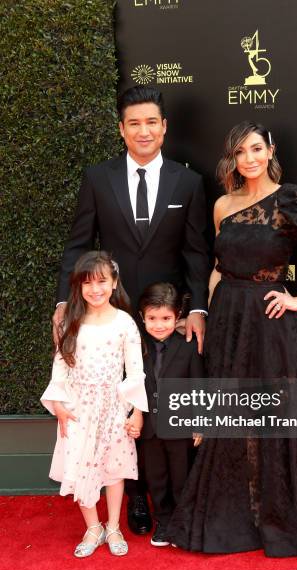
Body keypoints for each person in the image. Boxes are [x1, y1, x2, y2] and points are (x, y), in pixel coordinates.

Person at [167, 121, 297, 562]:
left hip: (269, 323)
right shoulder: (224, 204)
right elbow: (217, 264)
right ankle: (234, 516)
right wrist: (208, 309)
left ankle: (278, 517)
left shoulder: (292, 199)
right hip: (228, 318)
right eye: (239, 152)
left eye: (255, 149)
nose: (248, 159)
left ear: (270, 150)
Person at [52, 85, 210, 535]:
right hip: (114, 318)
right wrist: (66, 301)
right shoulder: (97, 178)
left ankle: (179, 500)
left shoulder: (189, 182)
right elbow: (79, 244)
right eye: (134, 123)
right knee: (125, 408)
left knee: (166, 409)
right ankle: (136, 499)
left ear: (164, 128)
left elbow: (198, 254)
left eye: (152, 122)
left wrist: (196, 309)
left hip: (168, 319)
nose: (144, 131)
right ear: (122, 129)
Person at [41, 251, 148, 557]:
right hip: (77, 410)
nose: (95, 289)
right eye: (87, 282)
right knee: (79, 467)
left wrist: (137, 412)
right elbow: (60, 366)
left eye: (102, 281)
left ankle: (113, 526)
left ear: (114, 283)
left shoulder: (125, 323)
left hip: (114, 408)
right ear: (78, 286)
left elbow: (136, 371)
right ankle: (93, 528)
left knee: (114, 471)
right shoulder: (70, 322)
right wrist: (59, 405)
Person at [130, 282, 204, 546]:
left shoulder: (188, 347)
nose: (158, 325)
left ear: (177, 317)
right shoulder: (137, 349)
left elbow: (198, 386)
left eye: (165, 318)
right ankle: (163, 521)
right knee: (156, 478)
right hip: (149, 429)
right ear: (142, 317)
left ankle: (181, 523)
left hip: (180, 426)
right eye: (152, 318)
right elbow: (131, 385)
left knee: (180, 477)